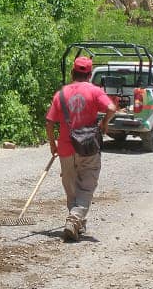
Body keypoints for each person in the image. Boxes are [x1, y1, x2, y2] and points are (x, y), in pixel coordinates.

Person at [46, 56, 118, 242]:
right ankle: (75, 219)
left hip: (65, 148)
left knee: (71, 187)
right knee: (86, 186)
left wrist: (53, 144)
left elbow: (49, 121)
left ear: (72, 72)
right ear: (90, 74)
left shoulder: (61, 94)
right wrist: (103, 123)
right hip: (88, 147)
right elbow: (111, 108)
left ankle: (77, 222)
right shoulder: (95, 91)